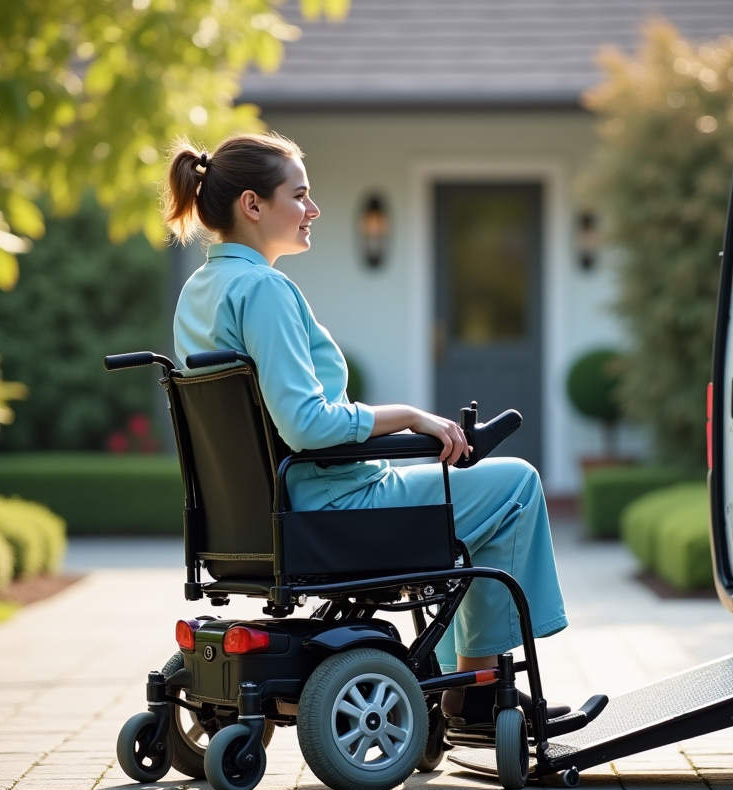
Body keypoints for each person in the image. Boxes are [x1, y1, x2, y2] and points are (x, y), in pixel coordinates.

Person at [165, 132, 569, 725]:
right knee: (514, 486)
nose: (313, 210)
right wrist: (410, 417)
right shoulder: (264, 289)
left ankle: (466, 680)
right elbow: (304, 426)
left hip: (254, 519)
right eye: (299, 196)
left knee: (475, 497)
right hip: (331, 507)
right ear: (253, 205)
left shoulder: (198, 291)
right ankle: (477, 690)